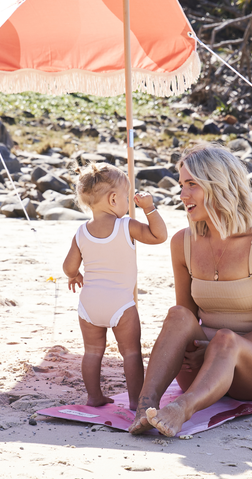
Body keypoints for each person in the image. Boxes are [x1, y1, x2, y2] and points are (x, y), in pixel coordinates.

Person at [128, 143, 252, 437]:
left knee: (226, 339)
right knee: (177, 315)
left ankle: (181, 409)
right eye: (181, 185)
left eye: (192, 184)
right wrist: (203, 353)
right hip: (201, 372)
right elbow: (187, 319)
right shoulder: (182, 243)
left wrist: (215, 349)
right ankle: (145, 406)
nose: (183, 195)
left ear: (219, 185)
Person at [63, 163, 167, 410]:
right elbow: (159, 236)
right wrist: (149, 208)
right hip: (120, 303)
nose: (129, 204)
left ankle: (94, 397)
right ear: (113, 199)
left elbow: (68, 267)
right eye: (126, 198)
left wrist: (75, 274)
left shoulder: (81, 232)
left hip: (89, 304)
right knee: (131, 353)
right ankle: (134, 402)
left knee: (92, 352)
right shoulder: (126, 225)